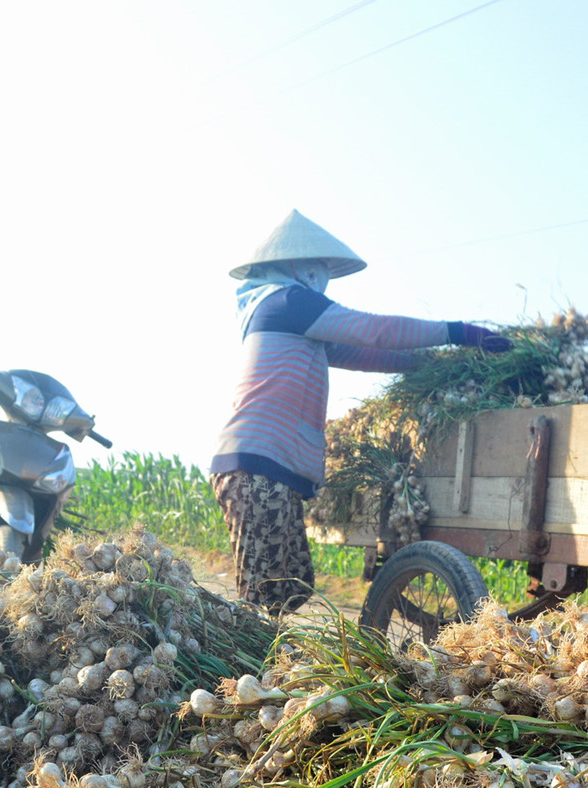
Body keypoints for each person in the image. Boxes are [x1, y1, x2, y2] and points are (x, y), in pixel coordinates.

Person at [211, 209, 510, 616]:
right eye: (319, 269)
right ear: (298, 266)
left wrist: (432, 364)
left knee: (292, 588)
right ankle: (236, 674)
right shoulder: (286, 301)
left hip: (269, 468)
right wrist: (456, 331)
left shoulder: (296, 319)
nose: (323, 279)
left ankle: (261, 668)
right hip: (256, 466)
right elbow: (376, 331)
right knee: (262, 599)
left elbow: (366, 352)